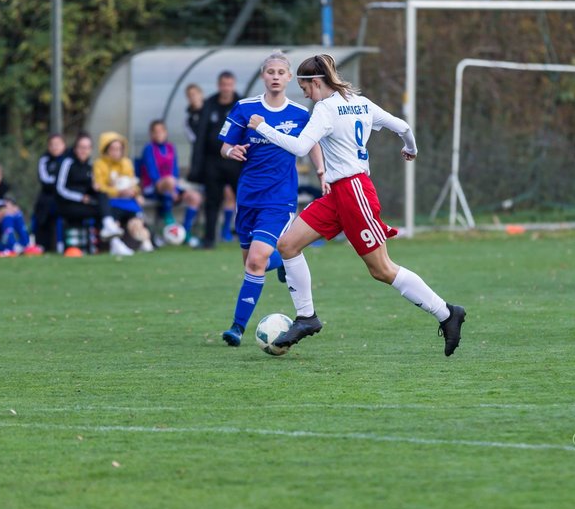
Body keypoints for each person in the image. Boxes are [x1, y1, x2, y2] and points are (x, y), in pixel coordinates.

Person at [246, 53, 466, 357]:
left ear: (316, 81)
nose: (305, 93)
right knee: (287, 246)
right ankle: (307, 318)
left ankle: (447, 313)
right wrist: (410, 149)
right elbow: (402, 126)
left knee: (382, 270)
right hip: (338, 193)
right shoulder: (358, 101)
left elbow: (299, 146)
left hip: (354, 193)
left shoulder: (325, 109)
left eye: (305, 86)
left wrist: (263, 127)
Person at [216, 52, 326, 346]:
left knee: (255, 260)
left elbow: (311, 143)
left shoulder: (300, 114)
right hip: (248, 197)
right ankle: (281, 261)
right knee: (255, 265)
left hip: (279, 200)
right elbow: (225, 146)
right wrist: (231, 151)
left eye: (281, 72)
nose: (276, 76)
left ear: (289, 78)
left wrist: (321, 170)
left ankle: (236, 328)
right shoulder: (244, 109)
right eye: (270, 71)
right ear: (263, 76)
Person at [189, 71, 242, 247]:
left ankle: (248, 235)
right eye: (223, 84)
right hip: (213, 162)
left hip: (235, 160)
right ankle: (209, 239)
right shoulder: (209, 104)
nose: (226, 88)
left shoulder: (241, 104)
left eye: (229, 84)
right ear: (219, 85)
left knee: (243, 199)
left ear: (233, 85)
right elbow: (199, 134)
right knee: (212, 201)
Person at [139, 119, 203, 245]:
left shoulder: (170, 147)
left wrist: (173, 187)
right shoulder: (148, 149)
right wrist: (171, 187)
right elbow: (153, 174)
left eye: (161, 131)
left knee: (195, 197)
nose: (159, 134)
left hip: (171, 187)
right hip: (152, 187)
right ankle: (169, 222)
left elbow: (174, 170)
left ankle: (186, 232)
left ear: (166, 132)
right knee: (168, 181)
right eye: (155, 132)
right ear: (151, 134)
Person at [92, 131, 154, 255]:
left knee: (136, 221)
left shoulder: (126, 163)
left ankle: (145, 242)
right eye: (113, 149)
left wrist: (135, 193)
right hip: (112, 201)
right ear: (106, 149)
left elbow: (133, 182)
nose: (116, 152)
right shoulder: (99, 164)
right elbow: (100, 187)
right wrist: (118, 192)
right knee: (114, 224)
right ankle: (116, 245)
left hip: (128, 201)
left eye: (119, 149)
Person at [33, 133, 65, 251]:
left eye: (58, 144)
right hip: (48, 196)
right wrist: (60, 182)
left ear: (63, 145)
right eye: (52, 145)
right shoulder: (44, 159)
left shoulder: (68, 159)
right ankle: (41, 245)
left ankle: (61, 244)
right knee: (42, 209)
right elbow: (45, 181)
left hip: (64, 197)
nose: (55, 147)